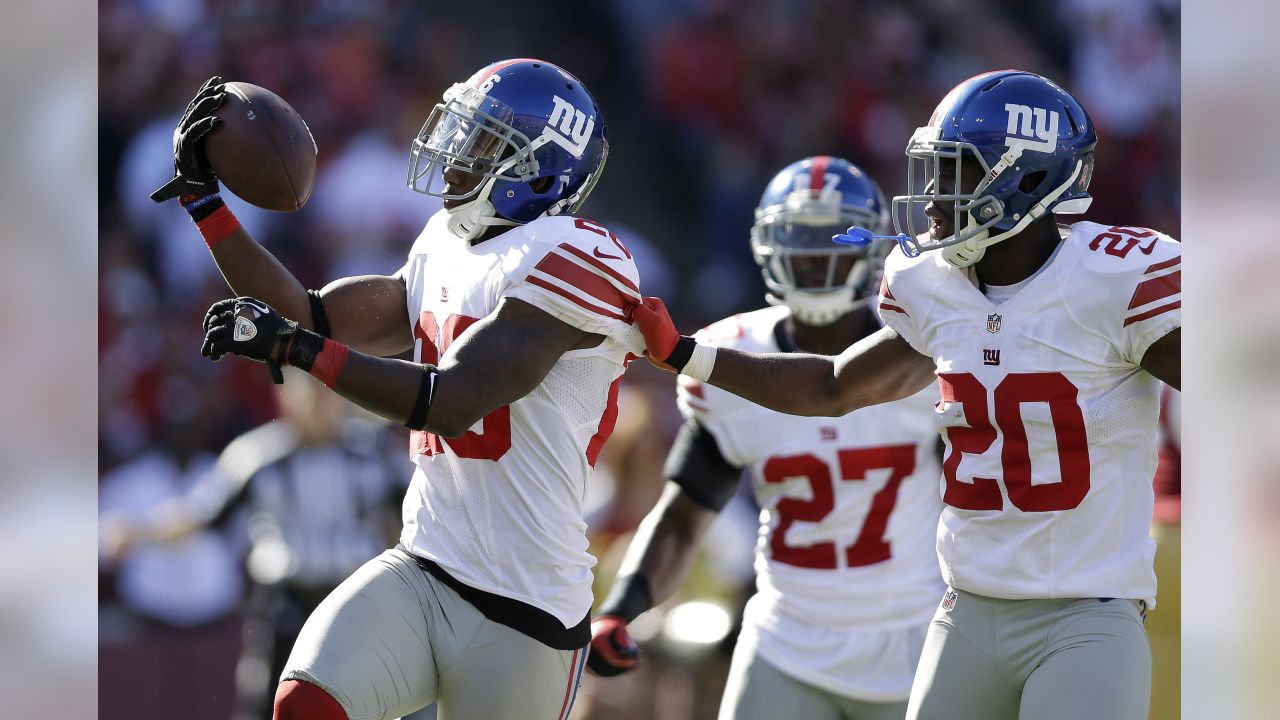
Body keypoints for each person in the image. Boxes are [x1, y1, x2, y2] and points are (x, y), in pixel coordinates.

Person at [633, 70, 1180, 720]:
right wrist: (686, 354)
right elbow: (832, 386)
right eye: (936, 169)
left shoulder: (1114, 279)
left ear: (1026, 179)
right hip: (968, 614)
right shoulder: (936, 287)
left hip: (1085, 617)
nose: (935, 195)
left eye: (957, 171)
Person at [150, 59, 643, 720]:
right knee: (305, 705)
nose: (457, 152)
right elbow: (311, 314)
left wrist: (295, 348)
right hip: (424, 565)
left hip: (526, 608)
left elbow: (454, 399)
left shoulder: (581, 259)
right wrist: (204, 202)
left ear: (542, 171)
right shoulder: (446, 239)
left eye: (487, 141)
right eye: (465, 130)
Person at [587, 157, 945, 720]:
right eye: (797, 237)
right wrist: (623, 607)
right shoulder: (736, 355)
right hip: (787, 639)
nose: (815, 256)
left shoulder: (922, 347)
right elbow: (684, 514)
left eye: (833, 238)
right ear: (767, 245)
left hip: (917, 639)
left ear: (871, 249)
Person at [100, 369, 407, 720]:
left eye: (327, 392)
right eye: (309, 391)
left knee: (368, 704)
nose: (320, 402)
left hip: (353, 603)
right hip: (283, 606)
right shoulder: (259, 456)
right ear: (285, 396)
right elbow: (199, 515)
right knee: (266, 704)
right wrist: (139, 533)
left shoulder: (377, 455)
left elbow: (416, 516)